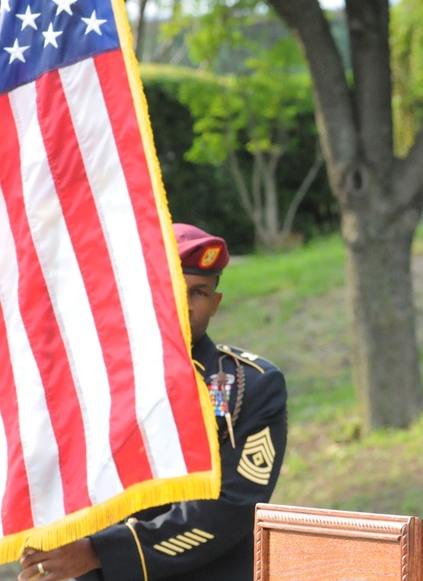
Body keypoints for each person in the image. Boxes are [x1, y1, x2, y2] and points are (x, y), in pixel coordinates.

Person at [19, 224, 288, 581]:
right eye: (170, 288)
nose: (183, 303)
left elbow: (230, 510)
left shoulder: (249, 385)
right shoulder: (88, 379)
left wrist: (98, 553)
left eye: (198, 293)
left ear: (215, 304)